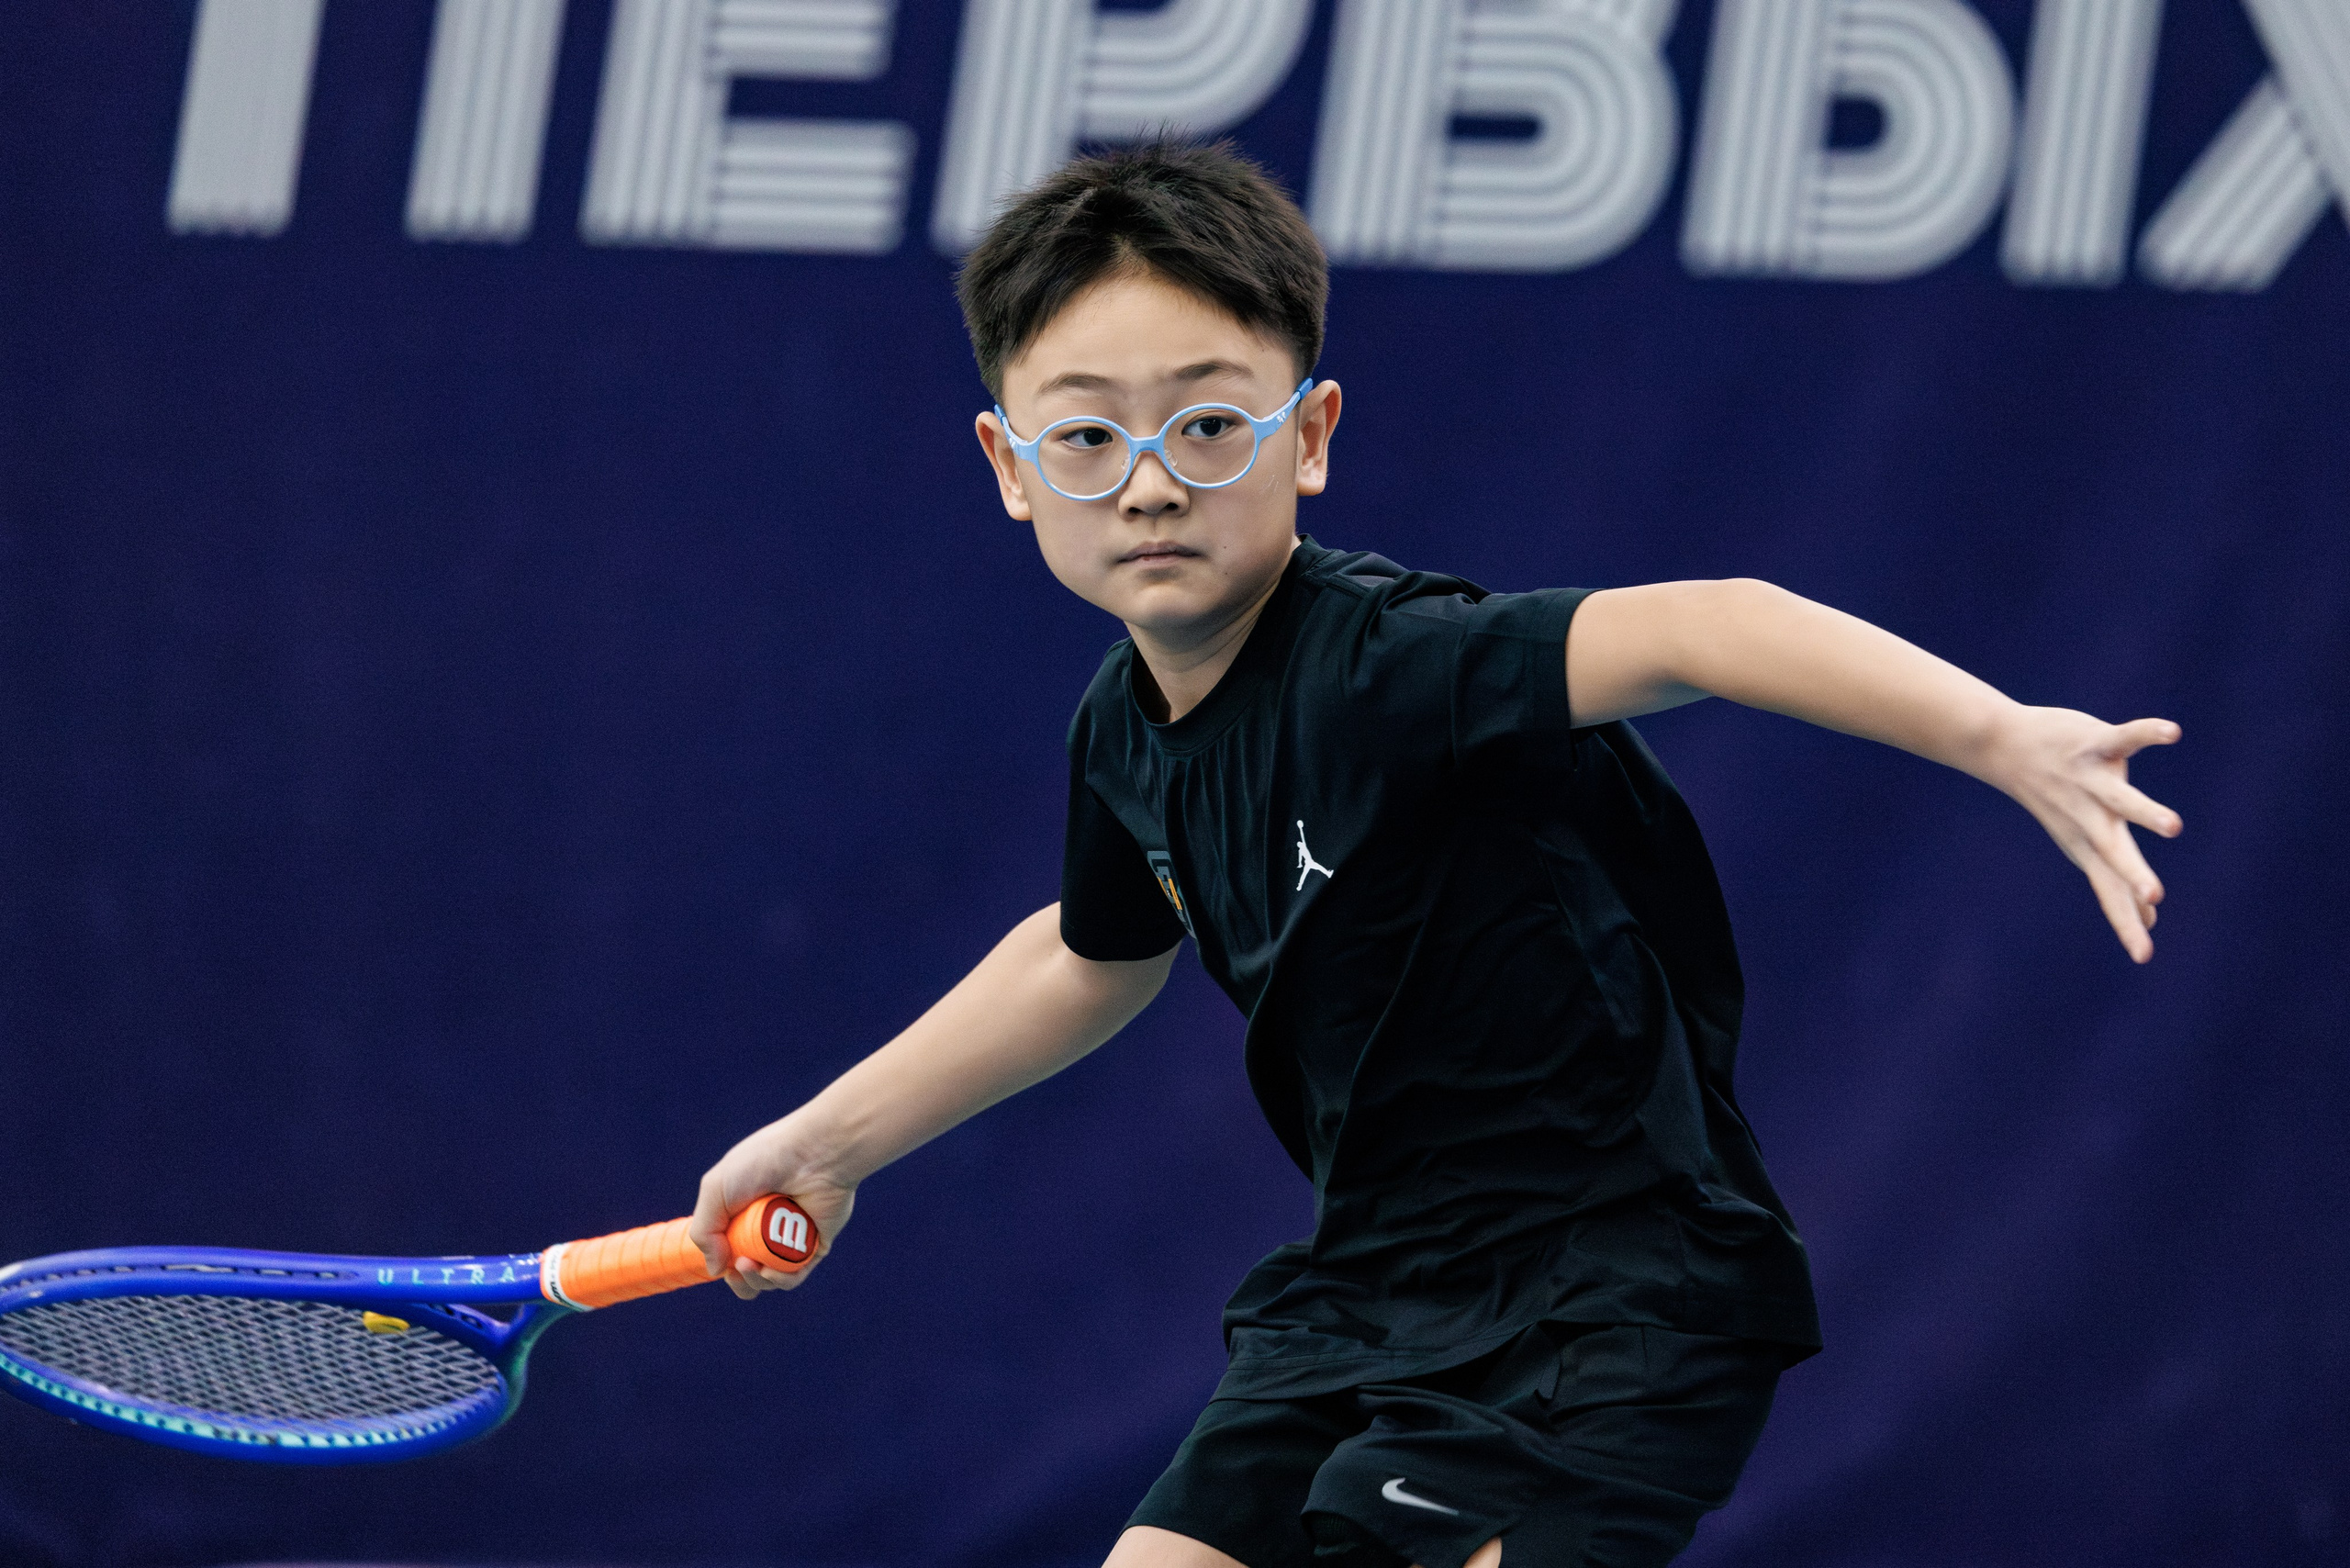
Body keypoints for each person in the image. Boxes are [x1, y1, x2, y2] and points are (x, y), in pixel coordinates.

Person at [687, 142, 2181, 1568]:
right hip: (1367, 1298)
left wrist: (2003, 736)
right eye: (1087, 436)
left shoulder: (1397, 667)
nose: (1147, 482)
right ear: (1011, 467)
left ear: (1311, 437)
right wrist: (828, 1143)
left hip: (1614, 1309)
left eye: (1208, 424)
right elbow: (1091, 956)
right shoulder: (1123, 728)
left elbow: (1711, 623)